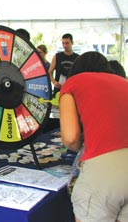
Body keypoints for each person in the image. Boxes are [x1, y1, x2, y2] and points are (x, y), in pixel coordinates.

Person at [59, 51, 128, 222]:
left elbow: (70, 138)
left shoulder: (72, 83)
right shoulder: (124, 83)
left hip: (105, 172)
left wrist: (81, 147)